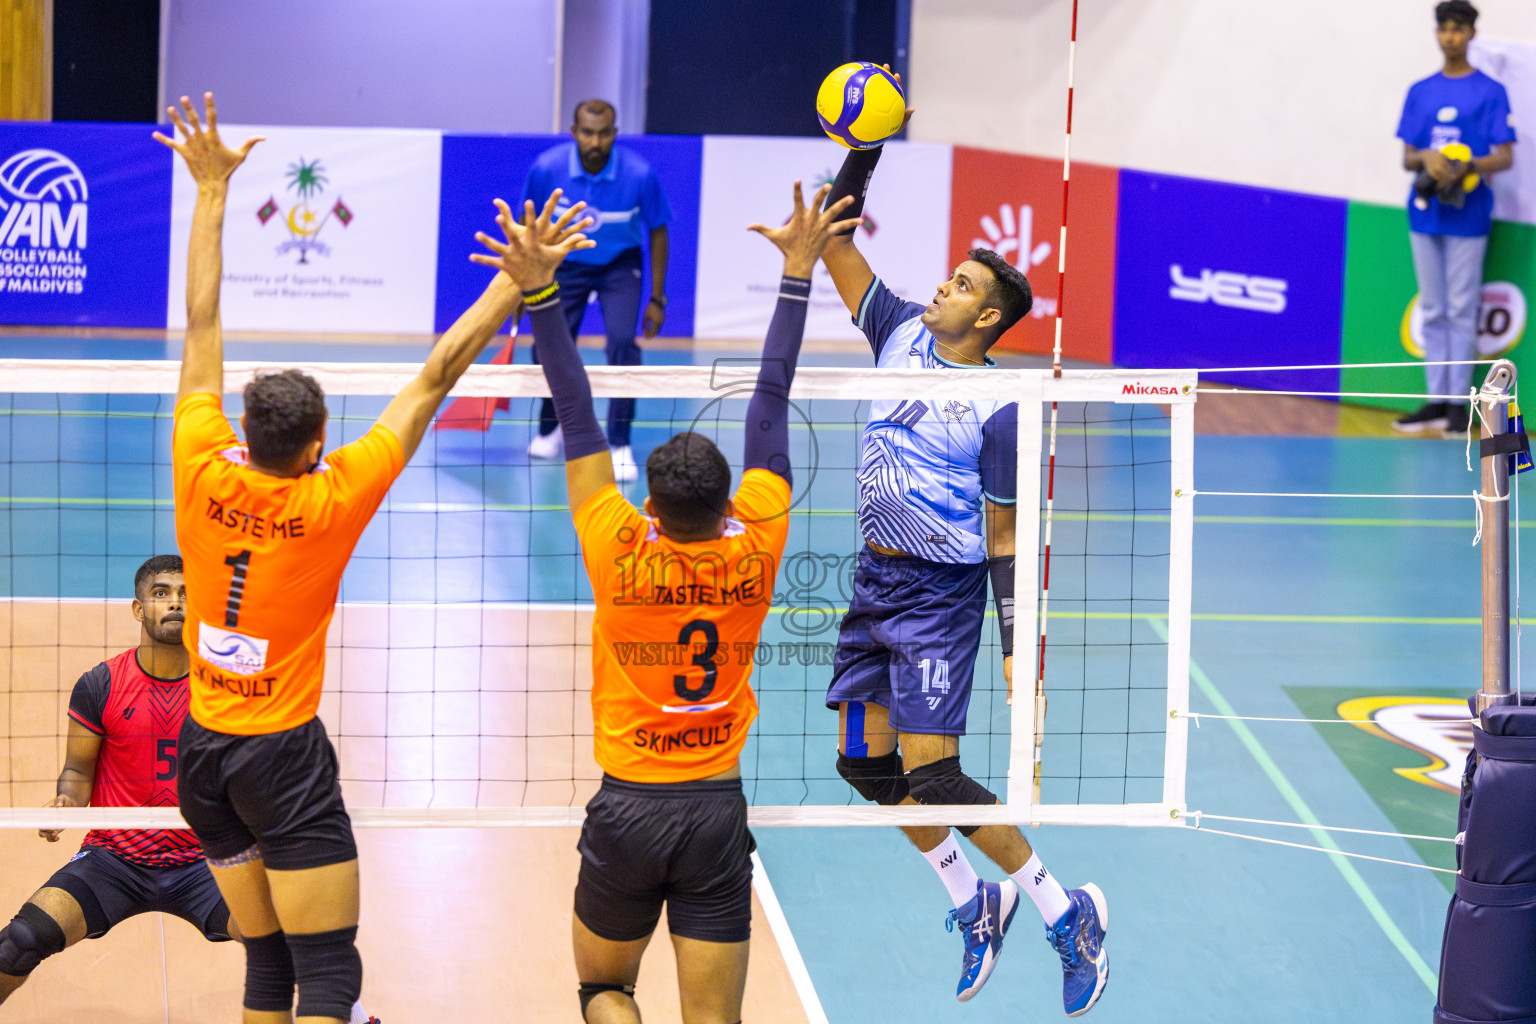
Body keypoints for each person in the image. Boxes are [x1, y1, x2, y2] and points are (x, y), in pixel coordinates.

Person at [153, 92, 592, 1024]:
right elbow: (437, 374)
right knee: (332, 981)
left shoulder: (198, 458)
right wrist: (521, 280)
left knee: (266, 966)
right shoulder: (333, 496)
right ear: (315, 443)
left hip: (201, 753)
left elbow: (199, 327)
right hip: (281, 759)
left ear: (248, 429)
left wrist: (212, 192)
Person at [473, 179, 856, 1024]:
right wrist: (800, 272)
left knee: (604, 989)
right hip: (716, 809)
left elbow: (575, 411)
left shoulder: (617, 544)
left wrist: (541, 292)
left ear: (649, 505)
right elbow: (769, 403)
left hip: (628, 808)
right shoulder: (758, 539)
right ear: (731, 504)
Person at [817, 119, 1110, 1015]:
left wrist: (1020, 646)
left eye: (963, 286)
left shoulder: (1001, 408)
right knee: (866, 767)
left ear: (988, 317)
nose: (942, 286)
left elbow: (1006, 537)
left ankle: (1068, 914)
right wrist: (863, 146)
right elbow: (833, 235)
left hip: (941, 597)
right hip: (875, 577)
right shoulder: (898, 331)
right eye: (949, 276)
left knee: (934, 775)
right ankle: (970, 899)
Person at [0, 556, 379, 1023]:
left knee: (291, 940)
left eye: (186, 594)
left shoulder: (225, 690)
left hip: (209, 862)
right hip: (114, 859)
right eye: (161, 593)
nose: (175, 602)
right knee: (19, 942)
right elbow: (78, 773)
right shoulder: (100, 685)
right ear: (139, 609)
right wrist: (65, 802)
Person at [523, 98, 673, 483]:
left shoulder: (640, 175)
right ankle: (550, 424)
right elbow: (529, 228)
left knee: (623, 344)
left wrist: (657, 298)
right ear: (574, 132)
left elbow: (658, 232)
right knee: (547, 347)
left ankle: (619, 441)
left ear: (614, 134)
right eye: (587, 133)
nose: (595, 141)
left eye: (603, 133)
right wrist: (520, 287)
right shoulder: (546, 169)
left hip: (620, 265)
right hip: (565, 262)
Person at [1392, 0, 1516, 437]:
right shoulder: (1421, 90)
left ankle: (1460, 404)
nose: (1451, 36)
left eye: (1459, 29)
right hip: (1426, 214)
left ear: (1471, 34)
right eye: (1444, 28)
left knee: (1462, 309)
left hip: (1469, 214)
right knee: (1434, 308)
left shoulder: (1490, 91)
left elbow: (1503, 156)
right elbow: (1408, 154)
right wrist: (1427, 156)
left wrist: (1466, 167)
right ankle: (1436, 399)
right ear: (1437, 33)